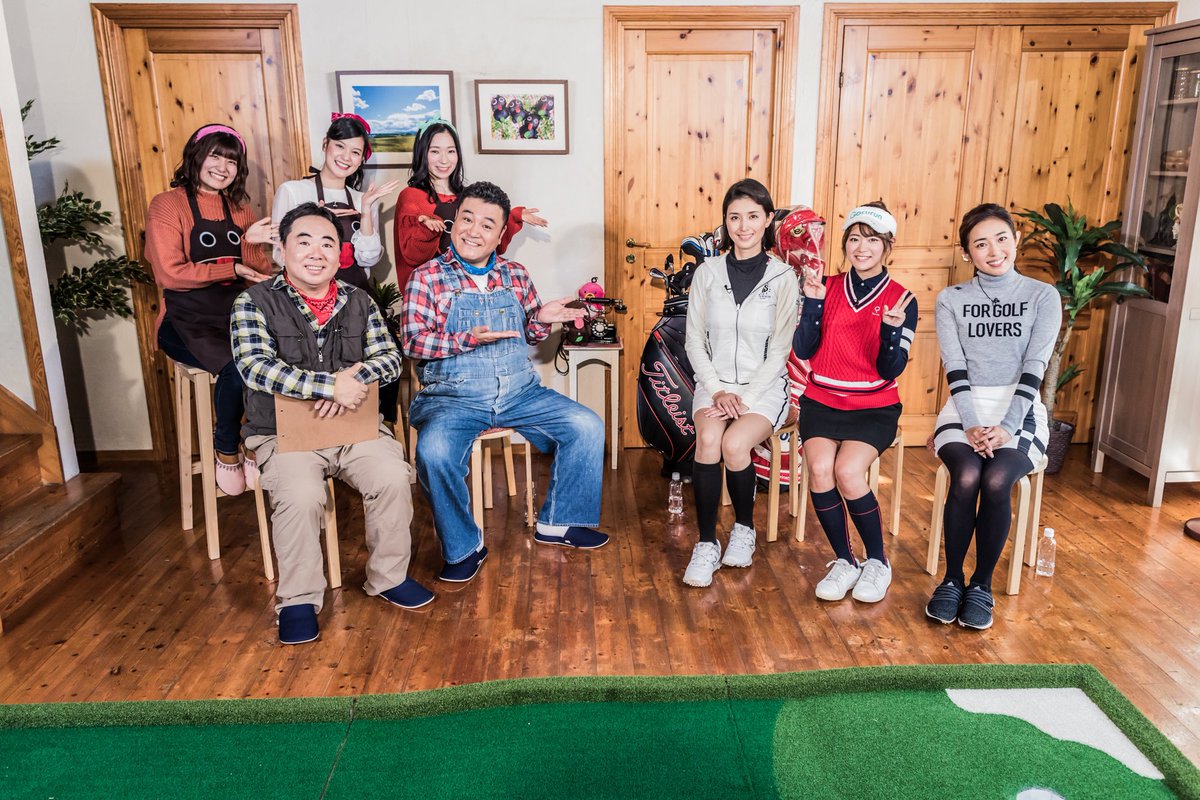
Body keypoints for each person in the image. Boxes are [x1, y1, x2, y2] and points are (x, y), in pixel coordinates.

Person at [232, 203, 430, 645]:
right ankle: (298, 600)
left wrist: (352, 382)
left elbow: (390, 358)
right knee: (300, 495)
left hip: (354, 427)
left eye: (327, 243)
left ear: (340, 254)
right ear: (282, 251)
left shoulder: (359, 300)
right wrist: (327, 387)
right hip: (284, 432)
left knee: (393, 476)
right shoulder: (253, 302)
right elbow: (254, 367)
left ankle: (389, 577)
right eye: (303, 242)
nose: (316, 252)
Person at [401, 181, 610, 582]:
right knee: (434, 453)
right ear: (454, 222)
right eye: (467, 219)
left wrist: (541, 319)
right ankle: (464, 546)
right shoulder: (426, 277)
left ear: (500, 235)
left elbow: (529, 333)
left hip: (519, 393)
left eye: (487, 225)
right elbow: (412, 342)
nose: (473, 231)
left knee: (586, 425)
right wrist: (466, 339)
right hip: (453, 397)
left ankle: (558, 522)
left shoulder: (515, 274)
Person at [926, 203, 1060, 630]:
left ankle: (981, 585)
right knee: (967, 475)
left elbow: (1035, 367)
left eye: (1001, 239)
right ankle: (952, 580)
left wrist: (1006, 428)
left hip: (1020, 411)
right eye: (980, 244)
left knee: (998, 479)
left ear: (1016, 240)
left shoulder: (1042, 296)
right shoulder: (951, 299)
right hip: (964, 407)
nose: (994, 250)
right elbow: (955, 368)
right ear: (967, 253)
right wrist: (970, 424)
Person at [792, 201, 917, 604]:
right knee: (820, 469)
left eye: (873, 240)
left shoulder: (901, 299)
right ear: (845, 243)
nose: (862, 248)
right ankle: (846, 561)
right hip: (822, 400)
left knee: (847, 471)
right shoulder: (824, 286)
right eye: (855, 239)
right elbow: (803, 350)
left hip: (873, 407)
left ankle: (878, 561)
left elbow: (891, 369)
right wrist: (813, 304)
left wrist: (891, 332)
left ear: (887, 246)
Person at [680, 179, 799, 587]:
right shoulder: (707, 273)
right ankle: (706, 543)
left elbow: (780, 349)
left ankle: (744, 529)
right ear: (725, 223)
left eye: (752, 216)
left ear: (767, 220)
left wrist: (744, 398)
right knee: (709, 440)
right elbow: (694, 340)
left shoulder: (783, 277)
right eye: (734, 217)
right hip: (714, 384)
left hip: (764, 388)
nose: (743, 226)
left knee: (734, 444)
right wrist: (717, 390)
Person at [144, 123, 274, 496]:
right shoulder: (166, 204)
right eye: (215, 156)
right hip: (184, 320)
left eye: (231, 161)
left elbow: (259, 272)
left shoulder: (240, 208)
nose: (222, 167)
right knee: (237, 364)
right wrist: (232, 268)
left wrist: (250, 246)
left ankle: (256, 439)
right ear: (196, 156)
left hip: (235, 316)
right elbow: (169, 273)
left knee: (270, 357)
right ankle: (227, 447)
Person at [392, 120, 547, 292]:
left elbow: (490, 247)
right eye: (435, 151)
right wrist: (426, 228)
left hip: (469, 291)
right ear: (422, 153)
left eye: (451, 151)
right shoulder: (411, 196)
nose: (444, 159)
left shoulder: (466, 196)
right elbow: (413, 255)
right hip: (429, 294)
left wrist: (511, 218)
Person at [270, 113, 400, 291]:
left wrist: (366, 210)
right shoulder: (292, 191)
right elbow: (280, 254)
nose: (346, 157)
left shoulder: (363, 200)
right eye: (340, 146)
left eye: (355, 152)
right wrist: (316, 219)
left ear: (361, 159)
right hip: (306, 296)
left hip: (355, 296)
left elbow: (368, 260)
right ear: (325, 144)